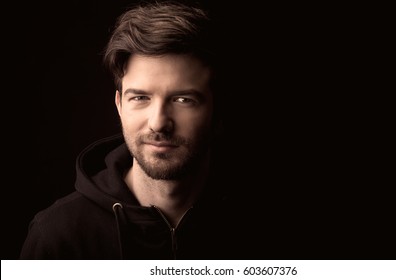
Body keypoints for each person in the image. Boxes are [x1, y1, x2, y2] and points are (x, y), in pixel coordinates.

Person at [20, 0, 244, 260]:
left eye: (183, 100)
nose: (158, 122)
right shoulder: (59, 236)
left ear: (217, 108)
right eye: (140, 98)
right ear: (119, 105)